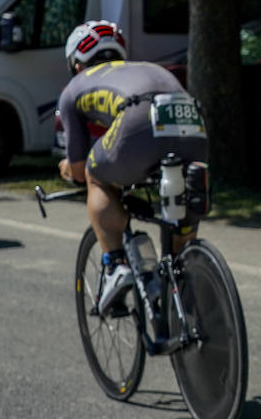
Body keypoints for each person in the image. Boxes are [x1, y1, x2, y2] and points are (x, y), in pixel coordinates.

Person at [56, 20, 208, 323]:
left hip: (137, 119)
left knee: (94, 173)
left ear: (76, 62)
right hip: (192, 122)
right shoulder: (146, 68)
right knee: (180, 211)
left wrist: (67, 169)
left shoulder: (75, 85)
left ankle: (114, 265)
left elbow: (75, 167)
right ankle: (186, 275)